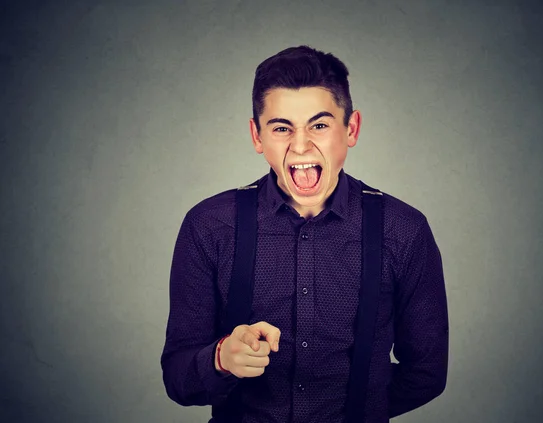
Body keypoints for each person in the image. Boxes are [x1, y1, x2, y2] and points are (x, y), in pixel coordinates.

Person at [160, 45, 449, 423]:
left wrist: (358, 406)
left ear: (351, 129)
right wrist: (221, 359)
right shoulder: (209, 226)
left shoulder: (404, 230)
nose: (300, 145)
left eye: (319, 125)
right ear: (257, 136)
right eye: (281, 128)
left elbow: (426, 372)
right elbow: (178, 379)